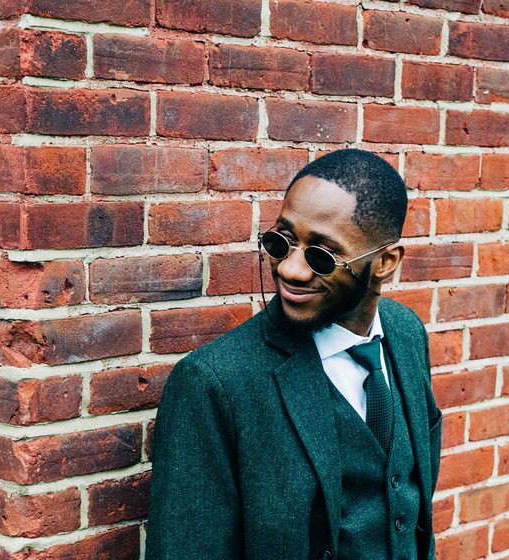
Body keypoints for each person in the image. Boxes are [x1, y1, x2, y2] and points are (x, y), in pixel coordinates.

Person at [147, 149, 442, 560]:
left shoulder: (406, 333)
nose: (290, 270)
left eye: (322, 256)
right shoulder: (215, 382)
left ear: (385, 262)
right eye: (280, 242)